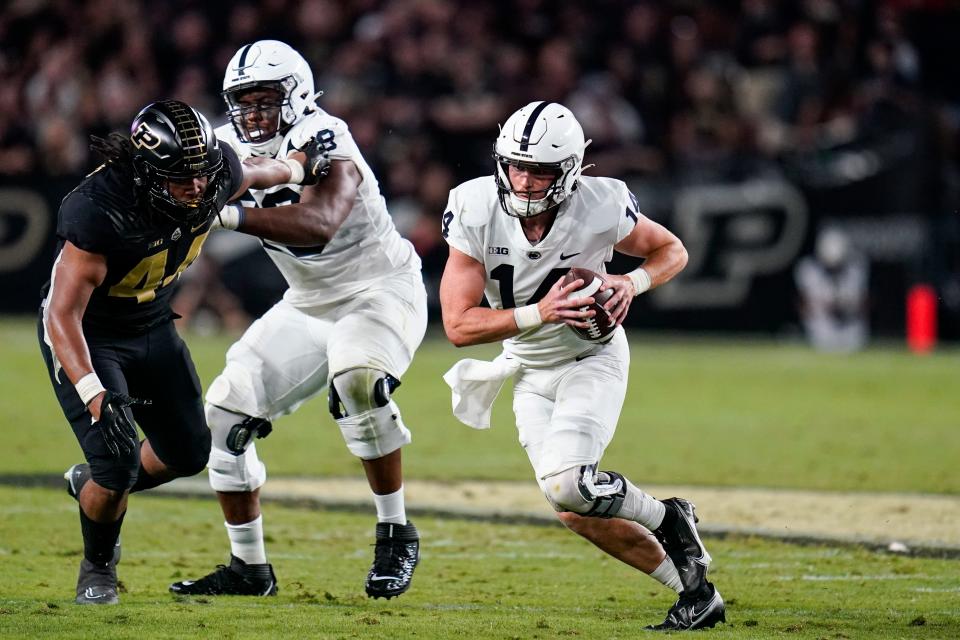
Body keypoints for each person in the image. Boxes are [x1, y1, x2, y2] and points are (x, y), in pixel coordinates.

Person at [439, 101, 725, 631]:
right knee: (572, 506)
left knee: (570, 485)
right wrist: (539, 312)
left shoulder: (602, 203)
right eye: (516, 167)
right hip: (527, 369)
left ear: (570, 171)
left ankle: (671, 522)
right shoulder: (475, 205)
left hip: (590, 359)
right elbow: (457, 325)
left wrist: (631, 282)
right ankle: (694, 587)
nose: (524, 182)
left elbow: (672, 250)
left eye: (540, 171)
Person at [40, 99, 326, 605]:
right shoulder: (99, 208)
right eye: (180, 176)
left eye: (202, 173)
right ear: (146, 172)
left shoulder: (213, 174)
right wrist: (92, 391)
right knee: (118, 463)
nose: (196, 186)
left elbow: (257, 172)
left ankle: (97, 483)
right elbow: (61, 314)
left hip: (152, 323)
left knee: (190, 454)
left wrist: (299, 164)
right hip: (92, 334)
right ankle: (98, 565)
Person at [169, 40, 428, 600]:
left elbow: (321, 222)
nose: (253, 113)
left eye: (265, 100)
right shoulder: (225, 143)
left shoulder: (325, 135)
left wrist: (231, 214)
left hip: (380, 291)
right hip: (306, 304)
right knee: (223, 417)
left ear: (299, 96)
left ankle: (394, 530)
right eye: (243, 101)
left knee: (358, 379)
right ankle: (248, 569)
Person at [794, 228, 869, 352]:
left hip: (851, 327)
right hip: (821, 327)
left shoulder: (857, 269)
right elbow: (803, 306)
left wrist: (847, 305)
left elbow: (864, 303)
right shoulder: (808, 270)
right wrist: (823, 306)